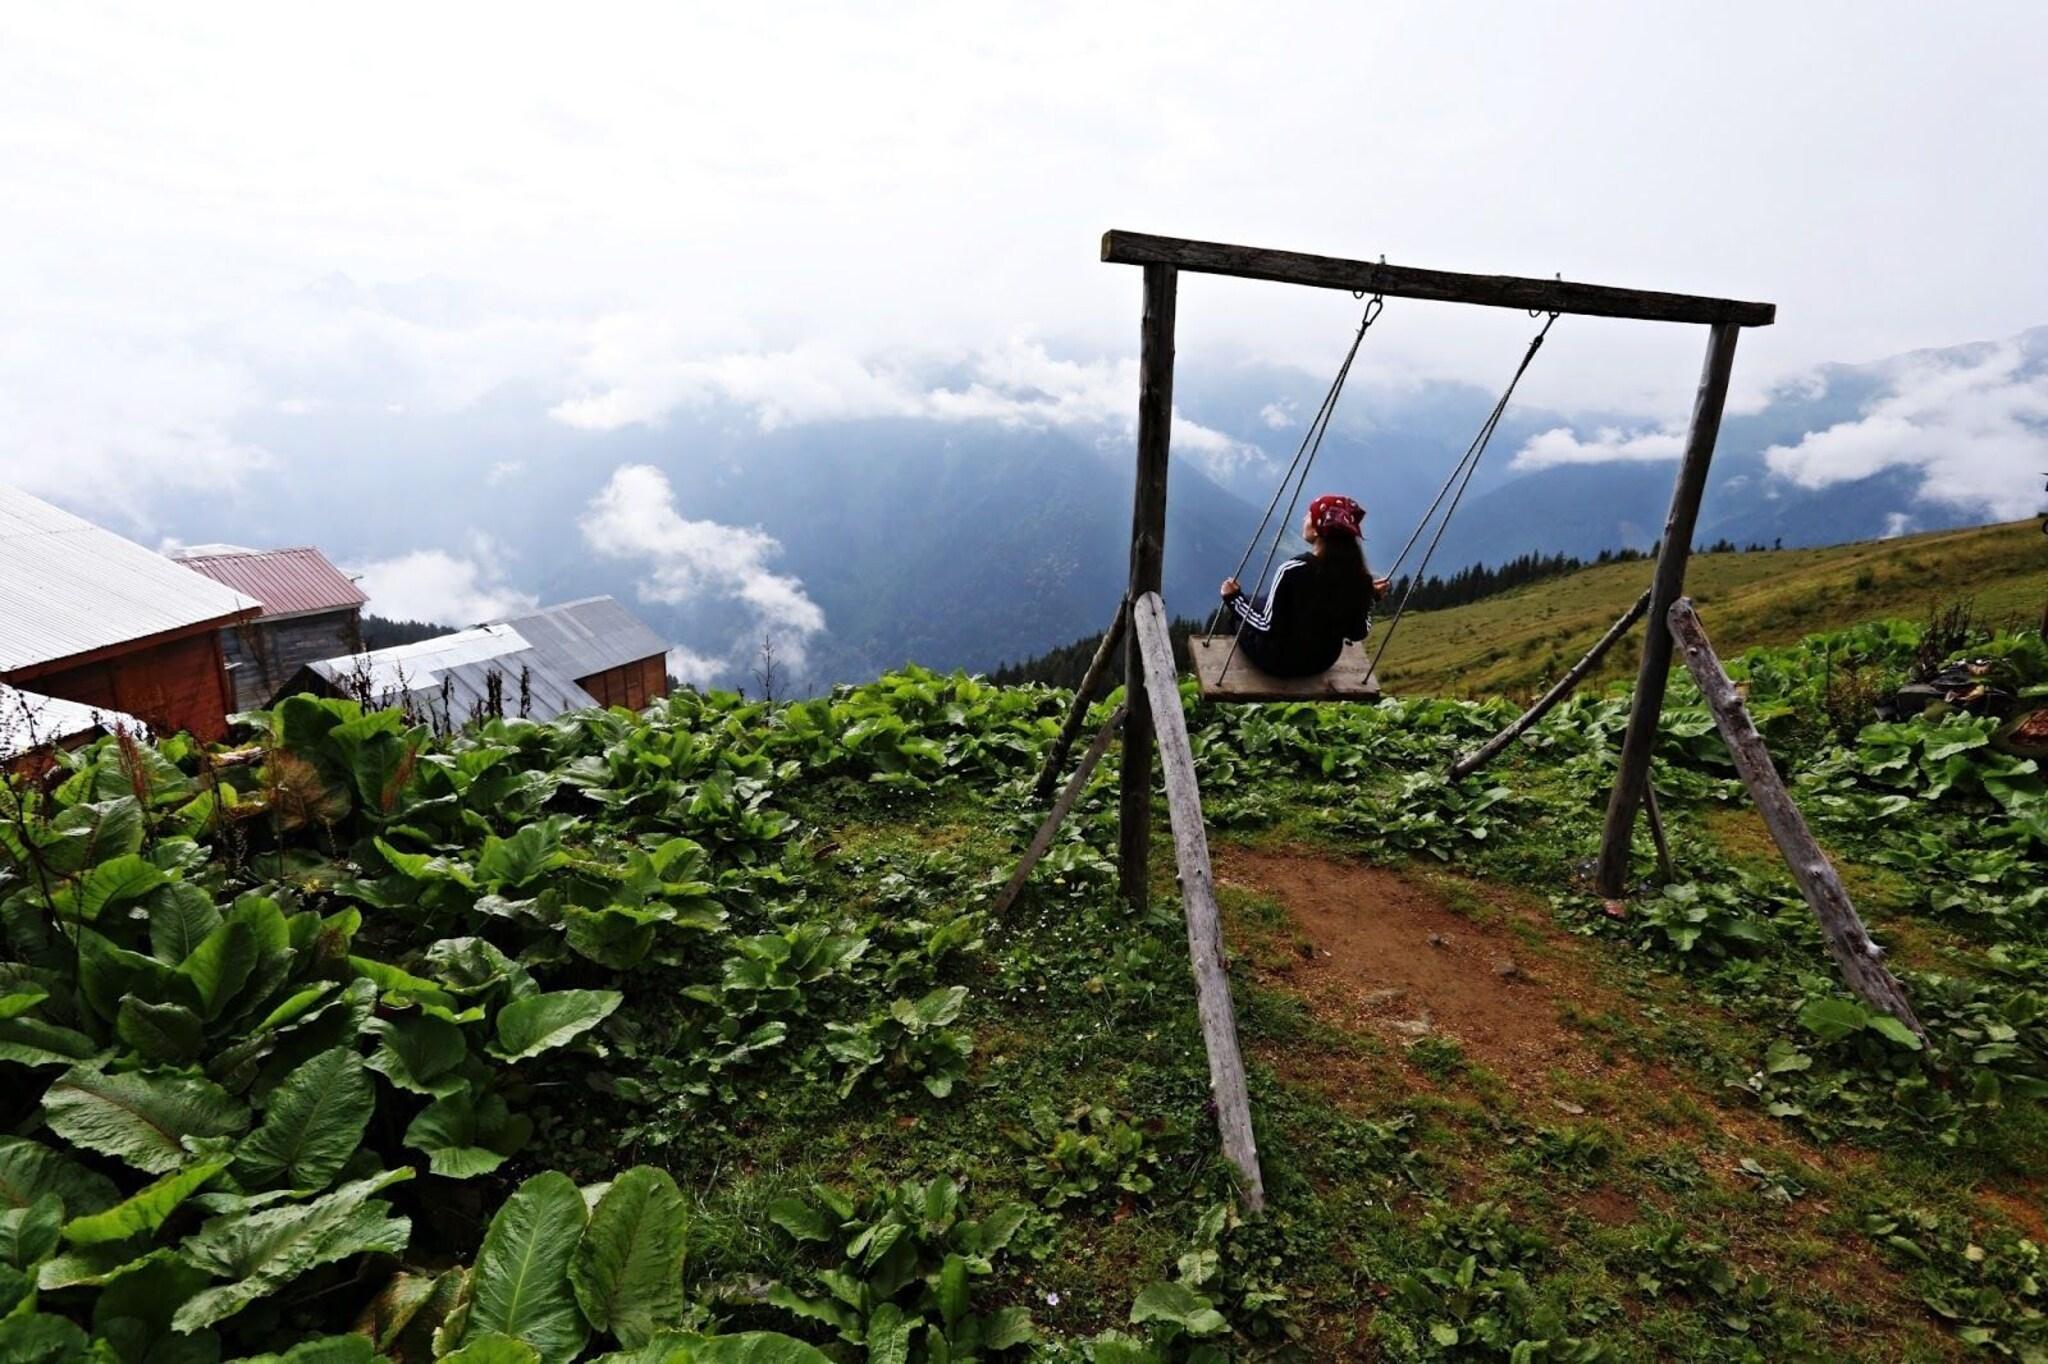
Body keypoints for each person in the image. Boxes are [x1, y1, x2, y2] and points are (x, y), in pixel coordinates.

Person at [1219, 494, 1389, 677]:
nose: (1303, 518)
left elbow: (1267, 626)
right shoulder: (1360, 579)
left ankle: (1229, 672)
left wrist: (1233, 599)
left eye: (1309, 515)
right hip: (1321, 663)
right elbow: (1358, 632)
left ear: (1317, 530)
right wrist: (1370, 599)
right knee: (1257, 601)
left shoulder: (1294, 569)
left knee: (1239, 614)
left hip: (1278, 661)